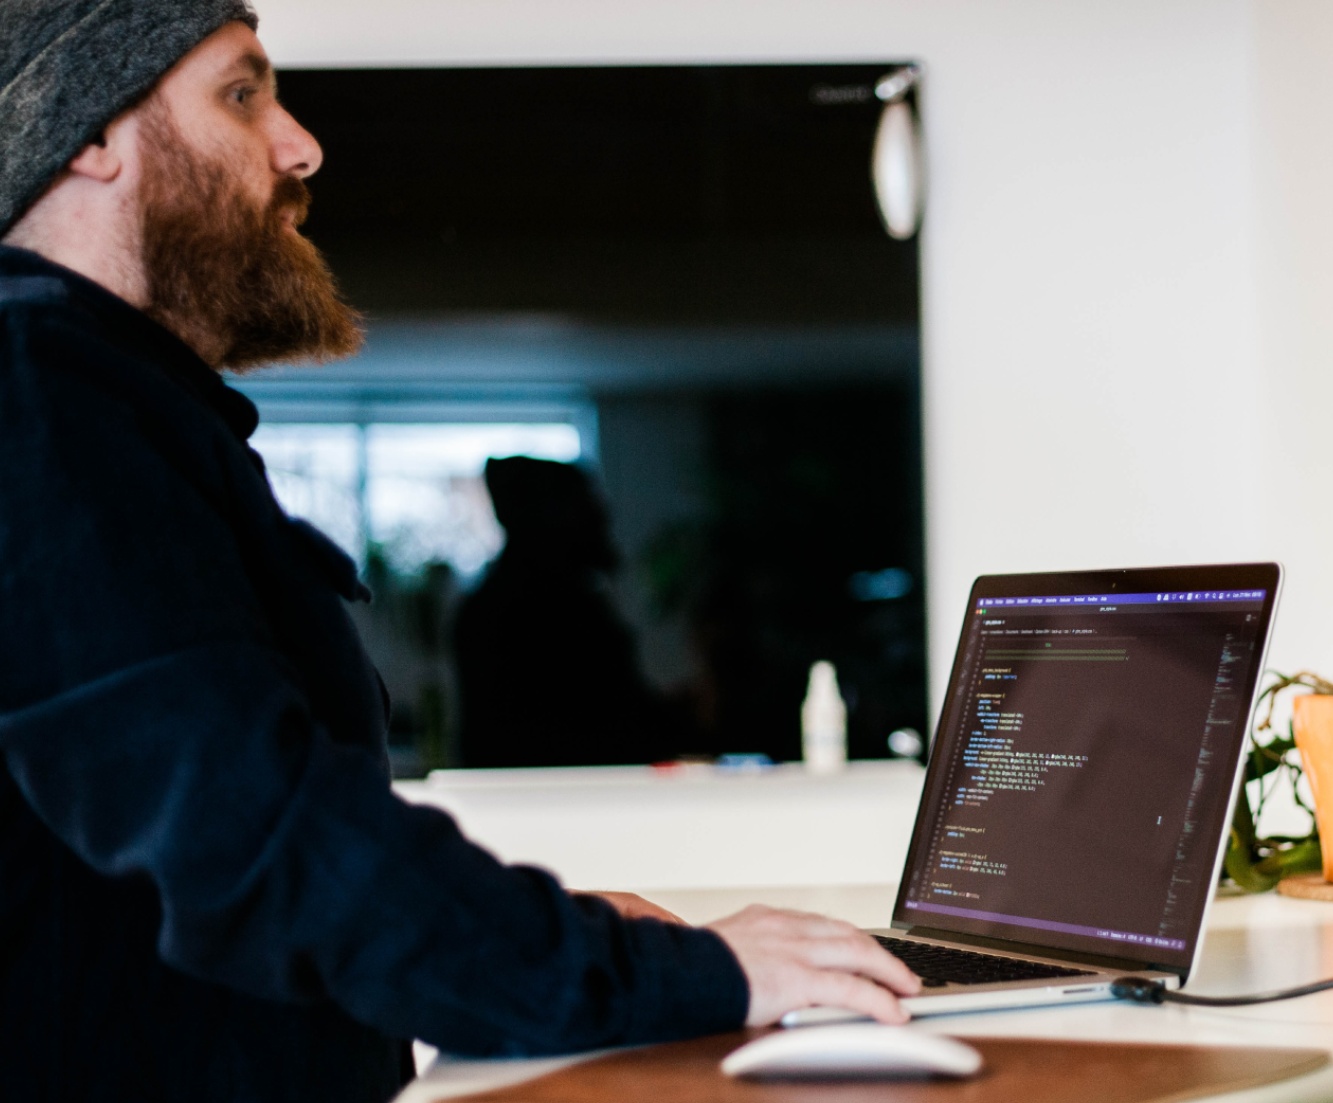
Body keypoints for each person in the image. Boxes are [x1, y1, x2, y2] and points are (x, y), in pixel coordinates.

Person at [0, 3, 920, 1102]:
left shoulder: (106, 405)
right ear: (87, 135)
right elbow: (258, 836)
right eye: (241, 95)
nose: (300, 145)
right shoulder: (41, 398)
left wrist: (561, 939)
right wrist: (683, 972)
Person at [455, 456, 694, 767]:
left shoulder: (489, 607)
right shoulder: (555, 613)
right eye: (585, 503)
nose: (604, 515)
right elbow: (607, 729)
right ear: (549, 514)